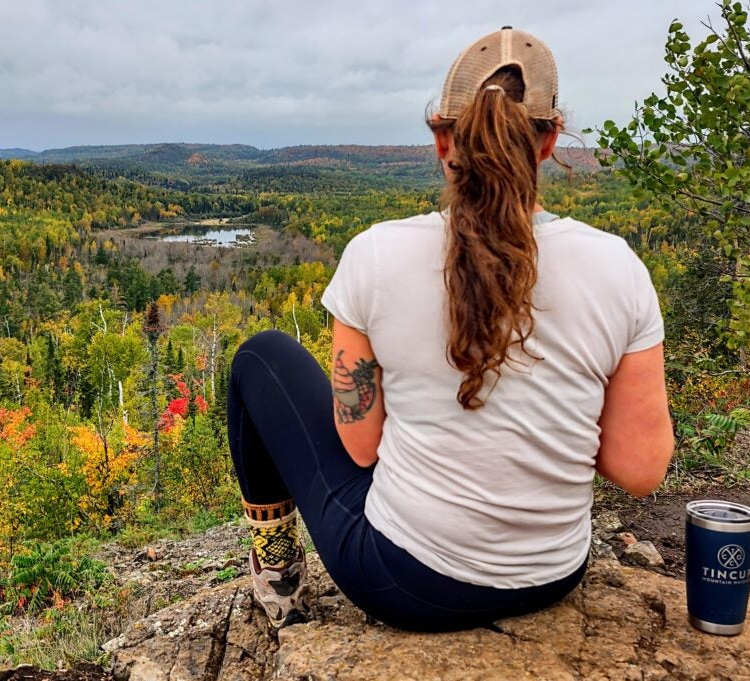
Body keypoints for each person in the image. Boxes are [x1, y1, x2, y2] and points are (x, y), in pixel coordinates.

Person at [226, 26, 674, 631]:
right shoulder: (618, 266)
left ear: (443, 141)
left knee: (262, 356)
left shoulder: (376, 256)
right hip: (553, 575)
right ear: (549, 142)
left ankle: (277, 575)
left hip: (403, 582)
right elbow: (640, 469)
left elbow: (360, 446)